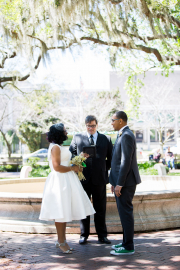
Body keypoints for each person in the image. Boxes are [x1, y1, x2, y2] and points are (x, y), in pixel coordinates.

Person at [39, 123, 95, 254]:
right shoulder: (55, 148)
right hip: (59, 181)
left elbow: (66, 163)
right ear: (59, 133)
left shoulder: (59, 146)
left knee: (64, 212)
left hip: (66, 180)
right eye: (64, 131)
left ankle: (62, 240)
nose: (66, 132)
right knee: (60, 212)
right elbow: (57, 167)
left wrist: (79, 159)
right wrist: (73, 168)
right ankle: (61, 241)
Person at [69, 115, 113, 245]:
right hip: (83, 179)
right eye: (88, 125)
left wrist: (103, 170)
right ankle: (84, 235)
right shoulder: (77, 138)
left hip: (100, 179)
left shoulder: (106, 139)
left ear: (97, 125)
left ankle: (102, 236)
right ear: (85, 125)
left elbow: (111, 158)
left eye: (93, 125)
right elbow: (71, 154)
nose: (91, 128)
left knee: (100, 208)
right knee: (84, 208)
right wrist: (78, 160)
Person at [109, 111, 141, 255]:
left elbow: (125, 161)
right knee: (123, 213)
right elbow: (116, 161)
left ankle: (129, 247)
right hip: (121, 182)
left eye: (113, 120)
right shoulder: (123, 134)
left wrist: (120, 184)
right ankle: (125, 242)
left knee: (126, 213)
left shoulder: (127, 135)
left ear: (121, 121)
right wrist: (113, 182)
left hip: (126, 183)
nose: (112, 123)